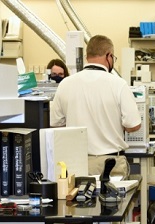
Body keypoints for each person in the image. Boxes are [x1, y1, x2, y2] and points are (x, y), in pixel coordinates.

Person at [50, 35, 141, 178]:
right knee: (113, 200)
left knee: (76, 199)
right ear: (109, 56)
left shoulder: (65, 84)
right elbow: (133, 125)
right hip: (111, 164)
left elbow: (56, 125)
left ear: (87, 56)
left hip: (77, 162)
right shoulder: (118, 84)